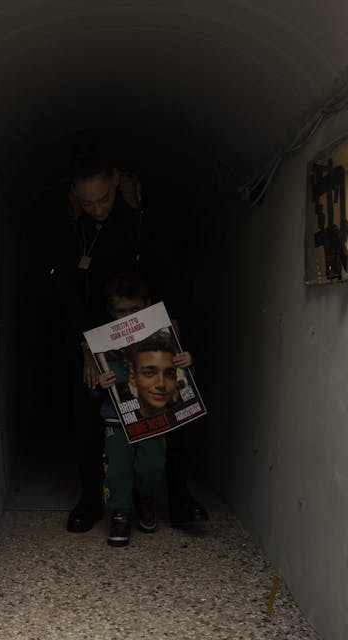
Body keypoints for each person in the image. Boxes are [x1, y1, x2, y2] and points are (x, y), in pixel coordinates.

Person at [52, 145, 207, 533]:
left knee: (169, 400)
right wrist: (86, 344)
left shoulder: (143, 216)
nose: (97, 209)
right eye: (87, 202)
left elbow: (170, 267)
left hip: (147, 320)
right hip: (93, 331)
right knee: (88, 413)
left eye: (103, 199)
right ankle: (91, 499)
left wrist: (172, 321)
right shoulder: (71, 225)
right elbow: (67, 289)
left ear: (117, 181)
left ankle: (179, 498)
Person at [94, 277, 192, 546]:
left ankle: (144, 498)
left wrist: (187, 363)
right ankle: (120, 513)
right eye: (121, 311)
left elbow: (180, 381)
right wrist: (100, 384)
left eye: (135, 309)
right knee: (118, 468)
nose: (128, 317)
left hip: (153, 417)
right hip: (116, 418)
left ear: (148, 306)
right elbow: (92, 389)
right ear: (111, 312)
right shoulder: (102, 342)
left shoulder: (163, 337)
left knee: (153, 465)